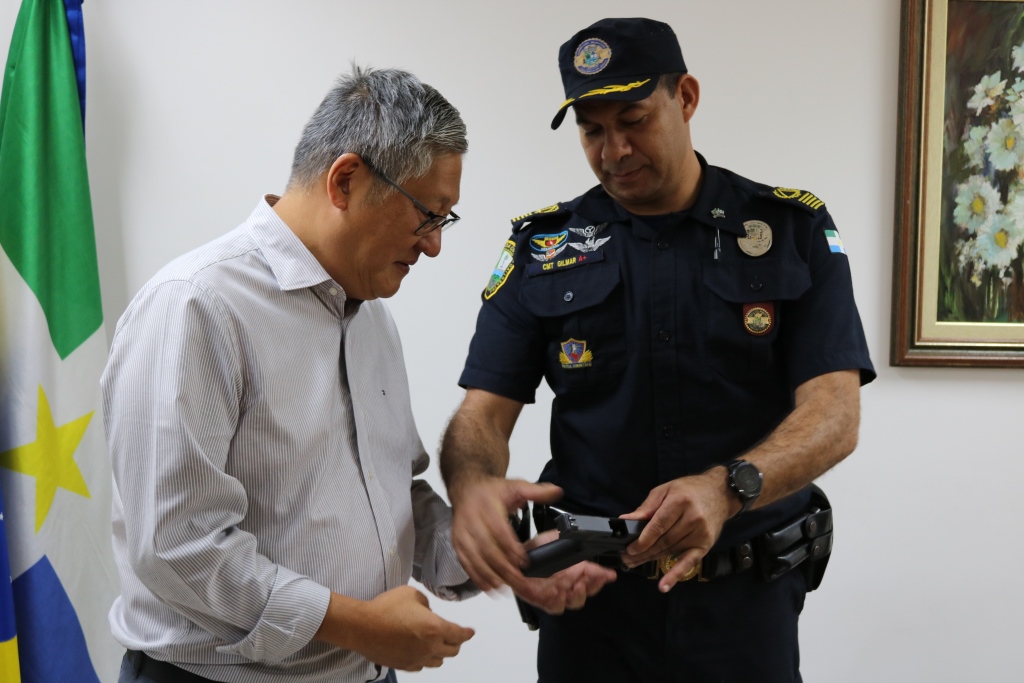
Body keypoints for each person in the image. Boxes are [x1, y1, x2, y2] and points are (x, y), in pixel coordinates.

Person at [440, 17, 876, 683]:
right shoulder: (544, 248)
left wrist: (726, 488)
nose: (614, 150)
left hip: (743, 602)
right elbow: (482, 415)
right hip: (590, 606)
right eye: (592, 130)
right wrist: (471, 486)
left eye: (634, 120)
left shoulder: (790, 230)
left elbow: (835, 414)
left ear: (686, 97)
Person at [103, 65, 480, 683]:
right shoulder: (195, 304)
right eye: (428, 214)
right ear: (346, 180)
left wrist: (490, 549)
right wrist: (358, 625)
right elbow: (176, 544)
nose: (434, 245)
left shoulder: (371, 318)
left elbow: (391, 493)